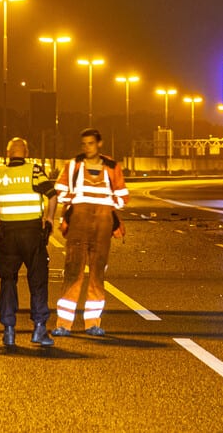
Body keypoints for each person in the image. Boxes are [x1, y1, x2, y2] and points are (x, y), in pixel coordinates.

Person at [53, 128, 128, 336]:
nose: (87, 147)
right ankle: (63, 324)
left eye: (90, 143)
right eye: (84, 144)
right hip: (79, 223)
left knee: (97, 274)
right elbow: (60, 190)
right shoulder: (73, 166)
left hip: (102, 226)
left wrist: (107, 206)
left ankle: (93, 323)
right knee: (72, 272)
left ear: (99, 144)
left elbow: (122, 196)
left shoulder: (112, 167)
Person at [0, 136, 58, 348]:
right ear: (26, 153)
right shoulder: (34, 171)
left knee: (8, 281)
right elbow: (52, 196)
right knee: (37, 280)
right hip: (32, 234)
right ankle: (39, 330)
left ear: (8, 154)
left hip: (7, 236)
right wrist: (49, 220)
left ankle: (8, 331)